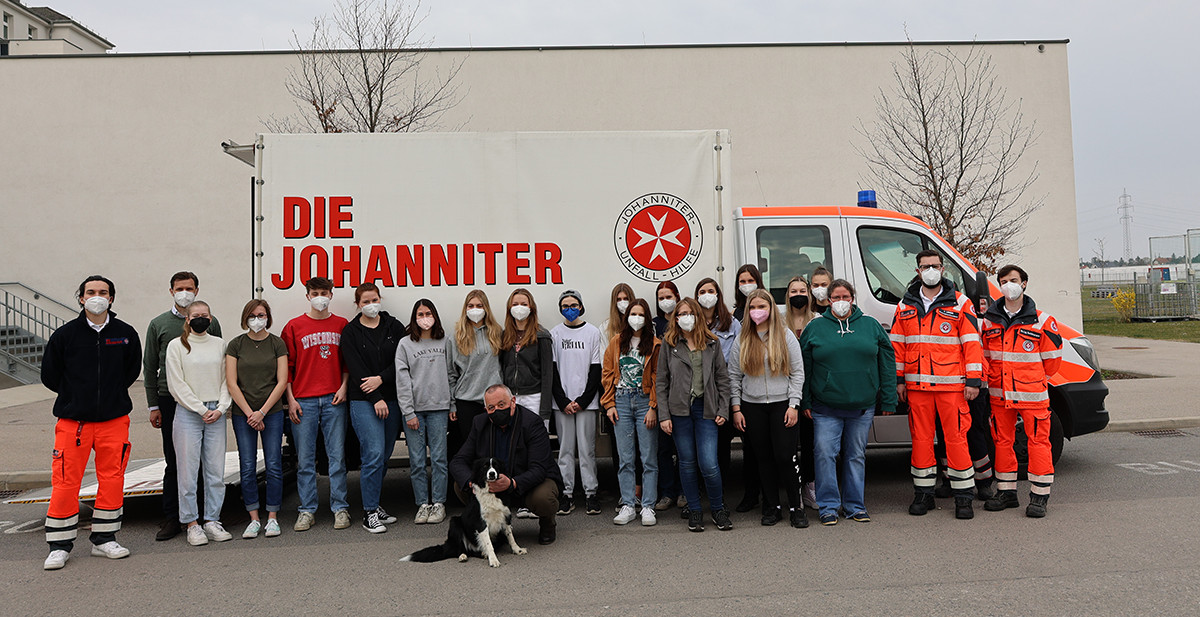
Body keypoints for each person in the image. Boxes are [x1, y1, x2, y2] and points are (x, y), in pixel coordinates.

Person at [41, 275, 141, 570]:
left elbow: (130, 371)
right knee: (64, 482)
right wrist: (76, 397)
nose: (97, 296)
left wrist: (108, 397)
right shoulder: (65, 335)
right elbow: (50, 375)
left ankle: (104, 539)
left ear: (111, 298)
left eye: (104, 292)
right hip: (74, 423)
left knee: (112, 480)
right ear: (81, 298)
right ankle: (59, 546)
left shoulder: (125, 334)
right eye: (91, 292)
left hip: (113, 421)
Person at [892, 250, 983, 520]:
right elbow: (897, 346)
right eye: (924, 266)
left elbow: (971, 344)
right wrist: (899, 381)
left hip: (952, 388)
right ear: (917, 271)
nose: (930, 270)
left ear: (943, 269)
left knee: (956, 441)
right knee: (920, 442)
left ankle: (964, 497)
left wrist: (973, 381)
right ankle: (923, 495)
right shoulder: (905, 305)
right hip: (917, 388)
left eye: (934, 265)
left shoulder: (960, 303)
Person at [800, 279, 896, 525]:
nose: (841, 302)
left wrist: (888, 399)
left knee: (855, 455)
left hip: (861, 406)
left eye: (845, 297)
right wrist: (806, 402)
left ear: (852, 298)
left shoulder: (871, 325)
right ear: (828, 300)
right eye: (836, 297)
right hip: (825, 406)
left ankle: (855, 505)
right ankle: (828, 506)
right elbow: (805, 368)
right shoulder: (815, 327)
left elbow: (886, 364)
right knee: (824, 454)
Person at [143, 271, 223, 541]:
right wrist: (153, 404)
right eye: (180, 288)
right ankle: (174, 518)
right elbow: (150, 365)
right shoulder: (159, 324)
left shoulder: (213, 327)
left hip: (211, 402)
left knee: (208, 465)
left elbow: (223, 367)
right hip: (171, 399)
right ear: (171, 291)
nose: (184, 292)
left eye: (189, 288)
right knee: (175, 462)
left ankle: (207, 517)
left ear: (197, 290)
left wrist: (220, 406)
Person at [981, 265, 1063, 518]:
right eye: (1003, 281)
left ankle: (1039, 496)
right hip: (999, 394)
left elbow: (1052, 361)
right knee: (1002, 442)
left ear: (1024, 283)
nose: (1009, 285)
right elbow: (983, 355)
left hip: (1032, 396)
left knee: (1038, 443)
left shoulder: (1042, 320)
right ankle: (1006, 492)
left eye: (1013, 280)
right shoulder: (989, 321)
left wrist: (1030, 380)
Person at [729, 289, 808, 529]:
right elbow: (733, 375)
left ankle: (796, 506)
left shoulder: (784, 335)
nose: (757, 312)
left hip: (782, 404)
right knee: (762, 458)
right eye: (752, 308)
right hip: (752, 407)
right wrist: (736, 408)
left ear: (771, 308)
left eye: (761, 307)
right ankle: (772, 507)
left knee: (785, 456)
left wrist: (794, 405)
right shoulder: (742, 338)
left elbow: (797, 372)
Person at [449, 384, 564, 545]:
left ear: (513, 402)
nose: (497, 410)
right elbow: (458, 461)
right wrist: (471, 482)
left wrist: (512, 483)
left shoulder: (532, 423)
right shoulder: (479, 423)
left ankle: (547, 522)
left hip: (526, 483)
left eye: (501, 405)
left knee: (543, 498)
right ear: (486, 409)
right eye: (491, 407)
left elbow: (539, 469)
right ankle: (491, 524)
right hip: (493, 486)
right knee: (459, 485)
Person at [656, 297, 733, 533]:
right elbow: (661, 382)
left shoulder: (711, 343)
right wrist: (664, 415)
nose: (685, 317)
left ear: (698, 315)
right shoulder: (669, 344)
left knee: (709, 463)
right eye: (681, 313)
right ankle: (695, 510)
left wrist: (723, 409)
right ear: (675, 318)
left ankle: (718, 509)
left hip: (705, 409)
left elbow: (723, 378)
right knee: (687, 462)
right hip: (679, 411)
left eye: (690, 313)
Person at [281, 276, 351, 532]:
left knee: (337, 458)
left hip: (334, 399)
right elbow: (286, 368)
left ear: (331, 294)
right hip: (303, 401)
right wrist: (290, 400)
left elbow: (347, 363)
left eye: (324, 292)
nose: (320, 296)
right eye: (315, 292)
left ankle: (340, 508)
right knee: (306, 460)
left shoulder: (342, 325)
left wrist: (344, 388)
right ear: (307, 295)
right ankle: (307, 509)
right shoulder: (293, 327)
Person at [166, 300, 234, 546]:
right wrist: (199, 408)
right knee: (187, 471)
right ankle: (191, 523)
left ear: (211, 318)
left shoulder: (220, 345)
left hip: (216, 412)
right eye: (195, 315)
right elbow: (176, 384)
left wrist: (222, 407)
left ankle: (213, 520)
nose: (200, 319)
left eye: (205, 315)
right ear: (187, 319)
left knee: (215, 471)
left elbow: (227, 379)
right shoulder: (176, 346)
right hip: (188, 413)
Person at [341, 283, 405, 533]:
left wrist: (382, 379)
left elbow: (400, 360)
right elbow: (355, 368)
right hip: (364, 401)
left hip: (392, 399)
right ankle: (369, 513)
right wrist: (376, 396)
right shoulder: (351, 332)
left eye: (374, 299)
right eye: (365, 301)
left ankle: (375, 504)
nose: (371, 304)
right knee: (374, 454)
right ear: (358, 304)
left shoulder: (394, 327)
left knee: (384, 455)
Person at [225, 299, 288, 539]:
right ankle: (253, 518)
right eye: (252, 315)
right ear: (245, 318)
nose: (257, 319)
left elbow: (281, 381)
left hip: (270, 413)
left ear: (268, 317)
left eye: (261, 315)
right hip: (243, 415)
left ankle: (272, 517)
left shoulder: (277, 344)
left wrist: (262, 411)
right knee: (248, 466)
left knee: (273, 465)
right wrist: (250, 412)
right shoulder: (236, 344)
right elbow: (232, 382)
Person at [695, 277, 757, 513]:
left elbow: (741, 358)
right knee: (710, 449)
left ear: (718, 295)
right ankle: (709, 495)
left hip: (731, 392)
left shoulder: (732, 324)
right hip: (705, 396)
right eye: (702, 291)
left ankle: (738, 495)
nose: (707, 295)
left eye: (711, 291)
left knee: (736, 446)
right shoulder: (693, 323)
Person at [601, 298, 660, 526]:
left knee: (648, 458)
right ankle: (628, 504)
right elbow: (607, 374)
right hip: (622, 401)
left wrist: (653, 407)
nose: (637, 318)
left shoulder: (655, 344)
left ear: (647, 318)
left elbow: (657, 377)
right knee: (626, 459)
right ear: (627, 318)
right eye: (633, 314)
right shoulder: (616, 342)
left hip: (645, 401)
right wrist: (610, 404)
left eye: (641, 314)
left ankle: (647, 506)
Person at [396, 299, 452, 525]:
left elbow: (451, 375)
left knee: (439, 459)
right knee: (417, 461)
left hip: (439, 409)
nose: (425, 317)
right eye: (420, 314)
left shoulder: (445, 342)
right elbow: (402, 381)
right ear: (414, 318)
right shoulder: (405, 344)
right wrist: (408, 412)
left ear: (435, 316)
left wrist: (453, 405)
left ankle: (438, 503)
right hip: (415, 412)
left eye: (428, 313)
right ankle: (422, 504)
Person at [550, 290, 604, 516]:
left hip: (586, 403)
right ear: (560, 308)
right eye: (565, 305)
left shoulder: (592, 332)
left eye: (574, 305)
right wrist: (563, 401)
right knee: (564, 450)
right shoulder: (554, 334)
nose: (569, 309)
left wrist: (582, 401)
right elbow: (551, 370)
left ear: (581, 307)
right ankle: (567, 494)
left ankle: (591, 493)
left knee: (586, 450)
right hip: (561, 403)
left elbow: (595, 370)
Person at [448, 289, 504, 460]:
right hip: (467, 401)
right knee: (471, 448)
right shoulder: (456, 337)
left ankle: (495, 485)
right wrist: (452, 404)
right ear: (465, 309)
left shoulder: (497, 332)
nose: (475, 309)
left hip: (493, 401)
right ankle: (471, 485)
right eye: (471, 305)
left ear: (486, 308)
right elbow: (451, 374)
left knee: (495, 446)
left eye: (479, 305)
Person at [784, 275, 818, 510]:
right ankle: (790, 488)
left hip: (810, 391)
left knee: (809, 443)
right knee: (786, 445)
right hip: (784, 391)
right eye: (793, 291)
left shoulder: (816, 321)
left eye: (802, 291)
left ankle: (810, 486)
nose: (798, 295)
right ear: (787, 295)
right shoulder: (779, 321)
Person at [651, 281, 683, 511]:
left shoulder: (684, 321)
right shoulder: (653, 325)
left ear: (677, 297)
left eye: (668, 296)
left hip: (683, 395)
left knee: (684, 448)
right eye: (661, 297)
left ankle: (684, 491)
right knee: (663, 448)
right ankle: (668, 492)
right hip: (662, 394)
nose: (665, 301)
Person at [499, 288, 553, 423]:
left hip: (534, 397)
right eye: (515, 304)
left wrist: (545, 410)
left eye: (524, 304)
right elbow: (500, 367)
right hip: (510, 397)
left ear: (531, 308)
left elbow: (547, 374)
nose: (519, 308)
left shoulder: (542, 336)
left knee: (534, 439)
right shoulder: (505, 336)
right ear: (509, 308)